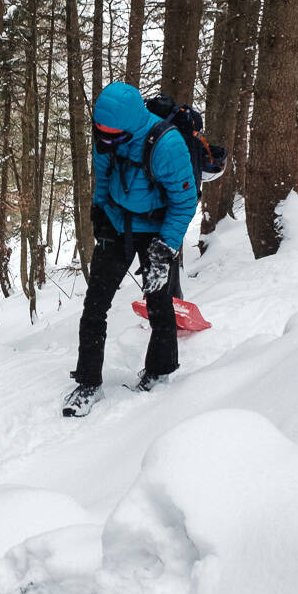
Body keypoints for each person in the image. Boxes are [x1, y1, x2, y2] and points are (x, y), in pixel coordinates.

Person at [63, 81, 198, 417]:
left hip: (156, 231)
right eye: (100, 133)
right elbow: (105, 176)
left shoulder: (168, 145)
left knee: (159, 304)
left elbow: (184, 202)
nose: (104, 140)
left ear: (130, 125)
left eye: (111, 134)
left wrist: (164, 249)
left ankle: (158, 371)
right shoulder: (105, 137)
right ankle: (88, 381)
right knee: (95, 305)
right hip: (118, 225)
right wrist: (99, 210)